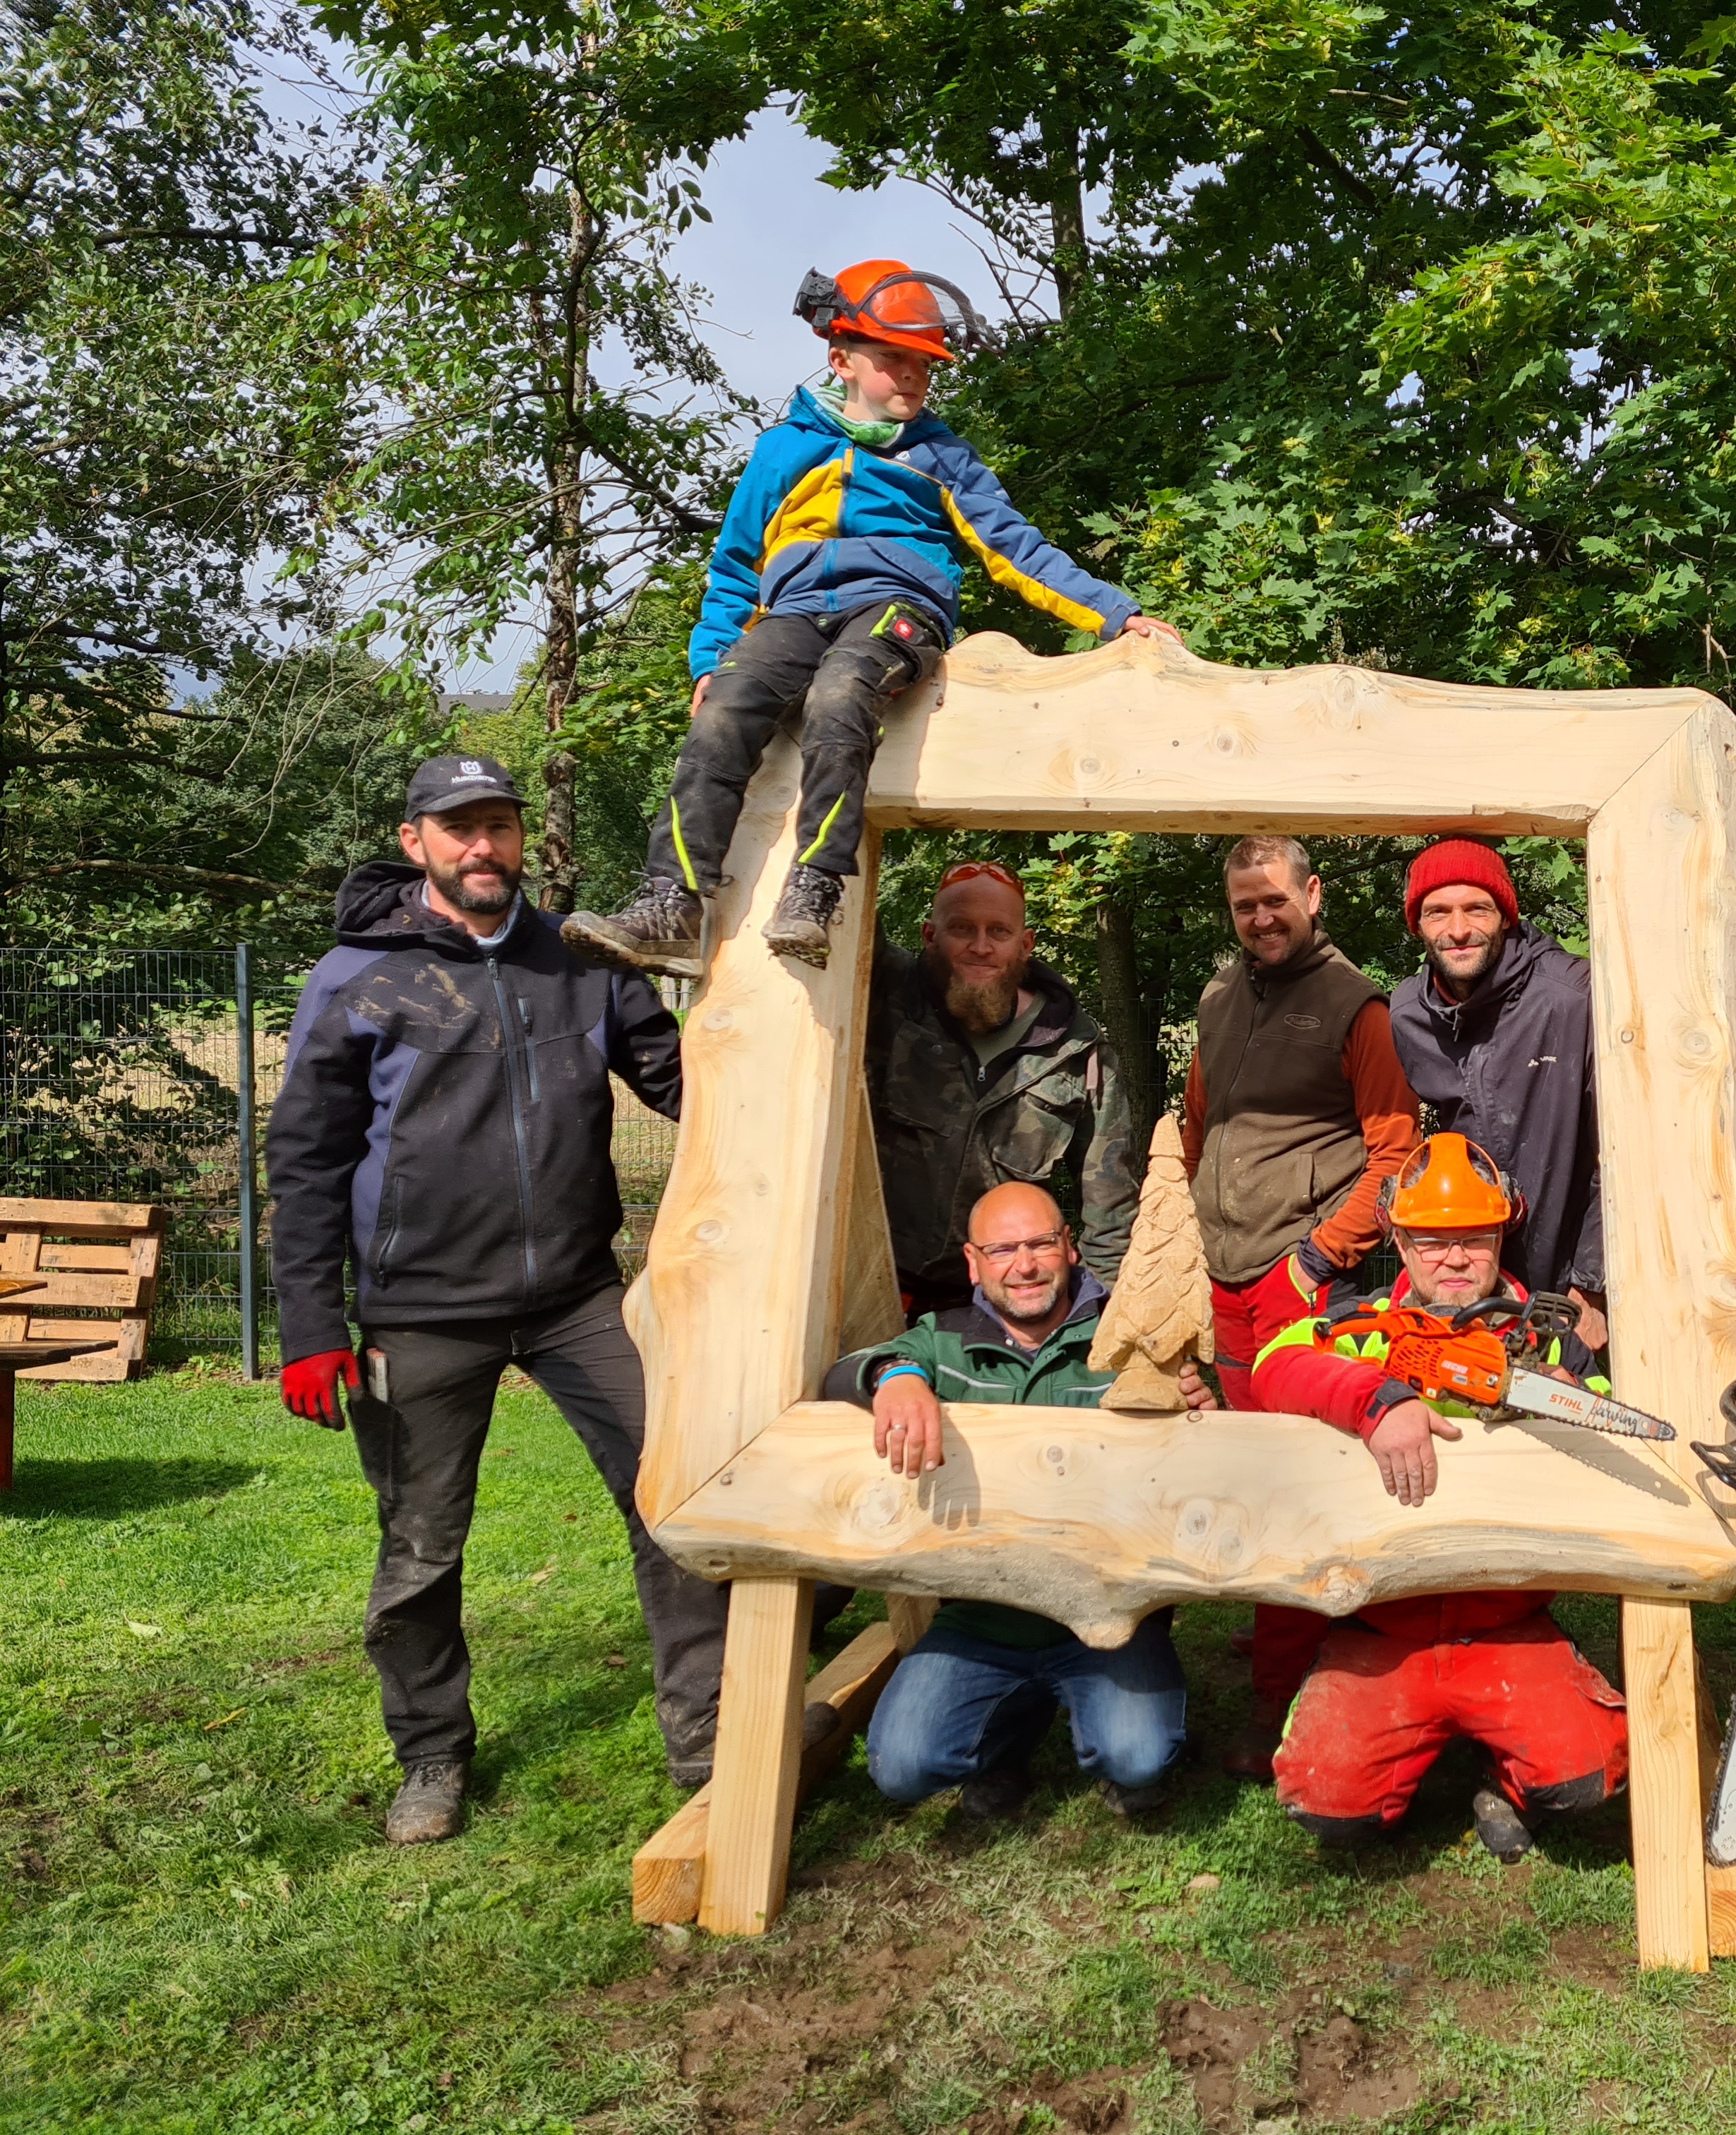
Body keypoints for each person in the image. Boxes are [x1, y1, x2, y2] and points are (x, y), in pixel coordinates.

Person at [266, 754, 726, 1844]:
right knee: (421, 1549)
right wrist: (311, 1327)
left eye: (501, 825)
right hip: (420, 1311)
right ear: (415, 839)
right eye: (460, 828)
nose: (485, 847)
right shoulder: (356, 978)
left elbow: (680, 1083)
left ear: (522, 838)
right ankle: (432, 1756)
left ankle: (706, 1737)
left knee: (678, 1503)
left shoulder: (582, 960)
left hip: (577, 1298)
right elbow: (306, 1160)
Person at [563, 261, 1181, 979]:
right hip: (793, 612)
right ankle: (671, 903)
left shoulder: (943, 457)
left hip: (896, 609)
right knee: (725, 710)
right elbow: (735, 566)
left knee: (840, 693)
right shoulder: (783, 450)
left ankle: (815, 885)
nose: (913, 378)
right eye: (894, 360)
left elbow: (1014, 548)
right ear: (842, 359)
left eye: (925, 366)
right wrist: (710, 660)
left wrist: (1114, 614)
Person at [1249, 1135, 1630, 1860]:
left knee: (1587, 1769)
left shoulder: (1545, 1340)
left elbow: (1606, 1418)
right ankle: (1394, 1746)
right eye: (1430, 1241)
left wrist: (1571, 1404)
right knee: (1325, 1801)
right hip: (1384, 1620)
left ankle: (1504, 1778)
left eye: (1473, 1240)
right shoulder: (1359, 1326)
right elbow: (1275, 1364)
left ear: (1501, 1235)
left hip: (1505, 1615)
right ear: (1398, 1238)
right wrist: (1376, 1398)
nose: (1453, 1259)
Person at [827, 1183, 1211, 1819]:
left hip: (1115, 1614)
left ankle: (1110, 1737)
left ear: (1071, 1248)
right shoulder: (941, 1340)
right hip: (983, 1615)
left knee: (1138, 1756)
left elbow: (1201, 1456)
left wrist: (1200, 1412)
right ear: (973, 1262)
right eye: (1003, 1250)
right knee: (902, 1765)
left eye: (1039, 1244)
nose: (1025, 1265)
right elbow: (845, 1370)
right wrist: (892, 1378)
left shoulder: (1129, 1335)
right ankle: (1007, 1739)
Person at [1178, 833, 1422, 1776]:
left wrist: (1318, 1261)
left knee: (1303, 1476)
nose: (1262, 917)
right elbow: (1201, 1127)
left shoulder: (1356, 1007)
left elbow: (1395, 1156)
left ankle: (1291, 1692)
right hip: (1224, 1273)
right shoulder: (1217, 999)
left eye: (1276, 899)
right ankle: (1285, 1619)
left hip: (1300, 1279)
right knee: (1248, 1467)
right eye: (1245, 905)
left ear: (1313, 895)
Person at [867, 859, 1141, 1318]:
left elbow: (1111, 1216)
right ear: (929, 935)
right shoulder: (882, 999)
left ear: (1025, 943)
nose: (981, 947)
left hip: (1004, 1305)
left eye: (999, 931)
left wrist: (1100, 1326)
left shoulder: (1077, 1053)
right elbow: (836, 898)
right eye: (961, 928)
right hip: (874, 1286)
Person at [1387, 839, 1605, 1343]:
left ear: (1506, 916)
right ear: (1416, 924)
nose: (1458, 930)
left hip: (1569, 1273)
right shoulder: (1407, 1016)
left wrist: (1592, 1284)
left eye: (1477, 909)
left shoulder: (1573, 998)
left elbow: (1623, 1151)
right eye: (1437, 912)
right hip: (1466, 1272)